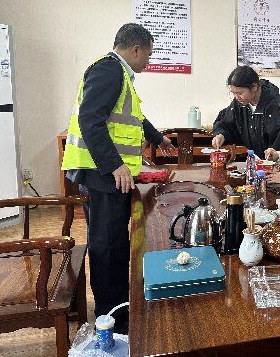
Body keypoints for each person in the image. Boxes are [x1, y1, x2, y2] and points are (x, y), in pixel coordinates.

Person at [61, 23, 174, 333]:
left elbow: (134, 118)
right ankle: (111, 318)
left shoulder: (120, 74)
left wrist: (158, 138)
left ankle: (119, 306)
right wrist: (115, 166)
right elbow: (90, 120)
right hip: (103, 175)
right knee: (108, 246)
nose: (148, 62)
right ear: (135, 49)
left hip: (106, 174)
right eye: (147, 55)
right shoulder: (109, 70)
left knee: (115, 243)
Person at [212, 66, 280, 158]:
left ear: (254, 87)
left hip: (274, 162)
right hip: (252, 160)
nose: (236, 97)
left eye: (239, 93)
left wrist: (272, 158)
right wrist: (221, 135)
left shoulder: (276, 107)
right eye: (233, 93)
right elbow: (226, 123)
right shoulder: (238, 104)